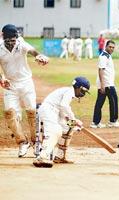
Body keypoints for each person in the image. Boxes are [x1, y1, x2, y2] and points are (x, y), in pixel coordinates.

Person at [0, 24, 49, 157]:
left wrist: (40, 57)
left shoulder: (20, 43)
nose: (12, 42)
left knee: (32, 112)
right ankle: (22, 142)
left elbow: (33, 52)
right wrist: (1, 79)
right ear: (3, 36)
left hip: (26, 83)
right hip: (10, 85)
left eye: (14, 39)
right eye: (9, 39)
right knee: (9, 114)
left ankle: (36, 143)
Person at [33, 76, 90, 168]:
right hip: (48, 110)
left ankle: (60, 156)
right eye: (83, 91)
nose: (83, 94)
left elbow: (62, 111)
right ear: (78, 87)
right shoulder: (69, 91)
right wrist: (74, 119)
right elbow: (64, 106)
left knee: (69, 127)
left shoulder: (68, 93)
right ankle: (42, 157)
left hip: (56, 113)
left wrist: (73, 123)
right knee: (56, 130)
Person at [90, 40, 119, 128]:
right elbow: (101, 70)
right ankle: (113, 121)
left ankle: (95, 122)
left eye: (113, 47)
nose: (111, 49)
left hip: (107, 83)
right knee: (113, 101)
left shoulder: (108, 56)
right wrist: (103, 85)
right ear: (106, 47)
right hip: (107, 84)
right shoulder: (104, 56)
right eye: (110, 47)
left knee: (100, 102)